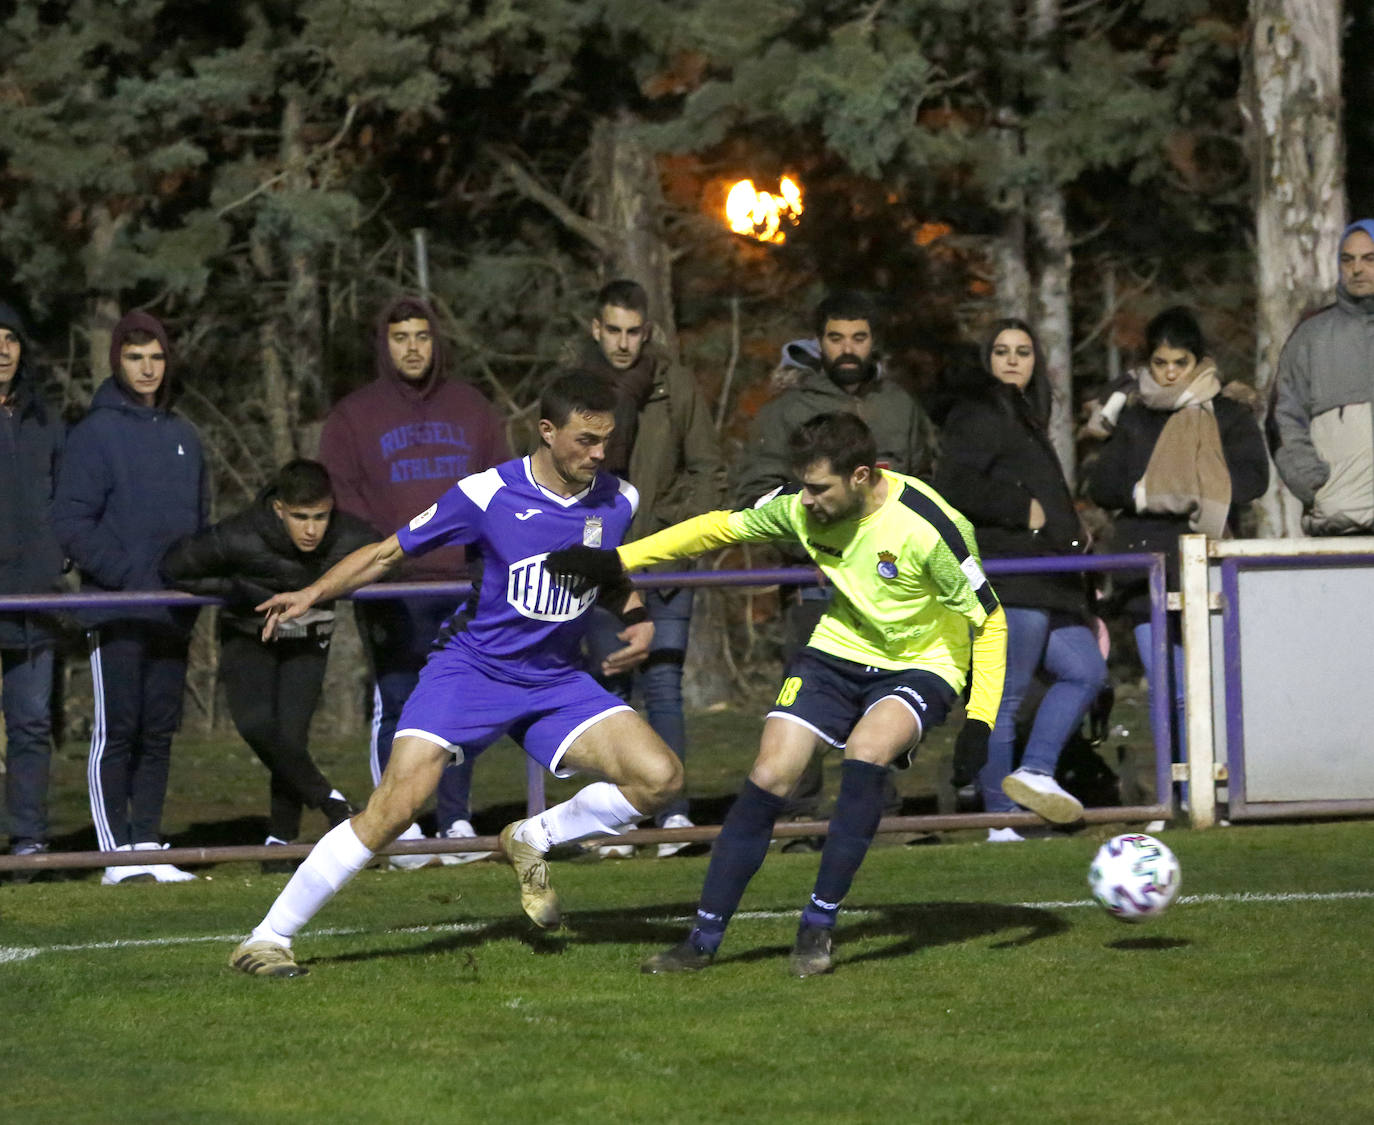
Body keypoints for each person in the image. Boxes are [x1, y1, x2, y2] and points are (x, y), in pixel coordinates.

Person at [228, 371, 683, 978]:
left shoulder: (617, 500)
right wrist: (313, 591)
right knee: (396, 806)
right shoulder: (487, 493)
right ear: (546, 432)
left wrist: (637, 616)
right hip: (472, 670)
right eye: (585, 440)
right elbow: (389, 553)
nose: (598, 454)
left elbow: (606, 574)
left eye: (606, 440)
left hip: (555, 681)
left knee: (661, 778)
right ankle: (266, 937)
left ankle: (533, 836)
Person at [547, 412, 1008, 977]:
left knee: (865, 754)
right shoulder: (800, 507)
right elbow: (715, 527)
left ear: (862, 475)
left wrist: (981, 720)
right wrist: (616, 560)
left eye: (819, 488)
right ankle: (702, 940)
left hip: (922, 661)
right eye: (804, 487)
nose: (806, 501)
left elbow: (989, 621)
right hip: (839, 645)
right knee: (770, 775)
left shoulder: (929, 525)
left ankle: (817, 927)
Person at [732, 290, 936, 833]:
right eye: (836, 338)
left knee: (889, 698)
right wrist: (810, 547)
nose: (848, 349)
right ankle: (800, 823)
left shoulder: (900, 407)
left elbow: (924, 484)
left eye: (859, 338)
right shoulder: (785, 413)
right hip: (814, 586)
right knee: (808, 704)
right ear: (818, 341)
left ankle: (878, 817)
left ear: (875, 342)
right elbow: (754, 494)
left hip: (891, 588)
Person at [319, 295, 510, 866]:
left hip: (461, 583)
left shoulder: (471, 408)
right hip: (393, 587)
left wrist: (486, 559)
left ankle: (454, 821)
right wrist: (381, 560)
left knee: (459, 707)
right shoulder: (354, 415)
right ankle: (394, 829)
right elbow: (344, 497)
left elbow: (499, 484)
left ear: (436, 341)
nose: (412, 347)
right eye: (400, 337)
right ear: (385, 343)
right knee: (399, 704)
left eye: (421, 336)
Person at [565, 279, 723, 856]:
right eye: (614, 331)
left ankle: (675, 816)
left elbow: (707, 469)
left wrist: (670, 533)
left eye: (634, 332)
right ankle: (614, 817)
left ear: (647, 331)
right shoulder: (575, 390)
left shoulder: (674, 386)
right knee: (608, 687)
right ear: (596, 329)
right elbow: (560, 471)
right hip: (602, 561)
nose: (625, 343)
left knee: (663, 683)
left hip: (666, 559)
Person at [1086, 307, 1268, 804]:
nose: (1168, 373)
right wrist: (1156, 496)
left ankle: (1206, 793)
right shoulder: (1136, 413)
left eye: (1179, 363)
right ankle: (1174, 792)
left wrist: (1188, 491)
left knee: (1201, 686)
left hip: (1204, 562)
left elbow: (1254, 479)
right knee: (1165, 689)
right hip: (1144, 567)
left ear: (1198, 361)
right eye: (1160, 362)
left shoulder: (1227, 415)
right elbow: (1102, 482)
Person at [934, 320, 1107, 841]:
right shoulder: (981, 413)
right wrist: (1022, 509)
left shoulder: (1026, 417)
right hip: (1009, 576)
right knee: (1003, 699)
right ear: (986, 359)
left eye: (1024, 352)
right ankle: (999, 823)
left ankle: (1034, 771)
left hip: (1049, 579)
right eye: (1002, 351)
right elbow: (953, 483)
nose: (1013, 360)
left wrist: (1071, 533)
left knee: (1086, 672)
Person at [53, 310, 208, 884]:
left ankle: (147, 842)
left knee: (158, 729)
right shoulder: (94, 433)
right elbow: (71, 521)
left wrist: (193, 586)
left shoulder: (183, 436)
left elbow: (199, 525)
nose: (147, 368)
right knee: (117, 729)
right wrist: (131, 574)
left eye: (156, 357)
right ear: (117, 360)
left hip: (173, 610)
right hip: (116, 608)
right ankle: (114, 853)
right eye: (135, 356)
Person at [161, 460, 379, 867]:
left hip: (309, 640)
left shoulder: (349, 535)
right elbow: (173, 567)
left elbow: (388, 559)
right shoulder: (240, 534)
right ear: (279, 509)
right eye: (300, 518)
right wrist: (238, 590)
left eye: (320, 516)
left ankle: (281, 842)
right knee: (258, 725)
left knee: (290, 741)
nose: (312, 530)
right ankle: (332, 803)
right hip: (250, 637)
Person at [0, 302, 65, 870]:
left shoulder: (46, 419)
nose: (2, 349)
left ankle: (28, 839)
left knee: (29, 724)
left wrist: (56, 553)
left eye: (10, 338)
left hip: (35, 596)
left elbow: (65, 498)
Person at [1271, 218, 1374, 534]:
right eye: (1347, 259)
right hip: (1341, 524)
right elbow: (1282, 420)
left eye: (1369, 258)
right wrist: (1316, 488)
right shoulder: (1311, 337)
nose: (1356, 269)